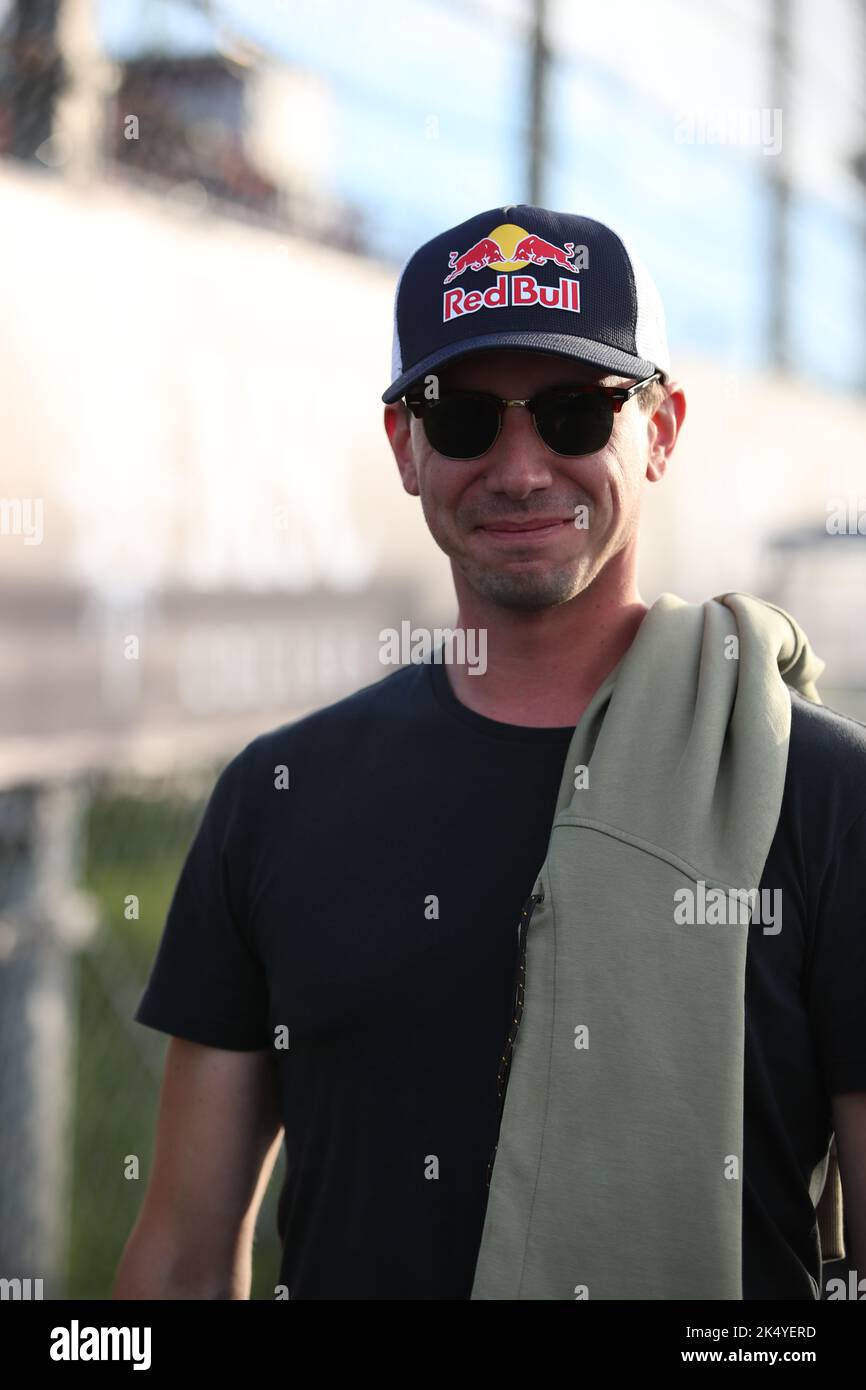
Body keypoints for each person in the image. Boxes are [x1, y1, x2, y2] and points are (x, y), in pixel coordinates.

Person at [114, 205, 866, 1301]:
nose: (518, 469)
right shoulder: (276, 798)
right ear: (403, 445)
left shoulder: (820, 795)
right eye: (462, 418)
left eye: (573, 412)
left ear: (658, 432)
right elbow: (182, 1253)